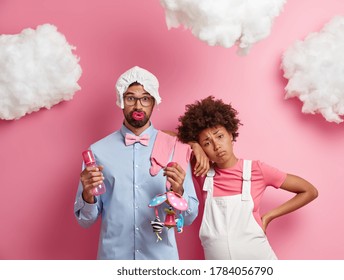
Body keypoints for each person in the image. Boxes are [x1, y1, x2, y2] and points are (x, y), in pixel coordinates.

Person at [74, 66, 200, 260]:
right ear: (121, 101)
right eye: (131, 98)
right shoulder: (97, 152)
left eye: (145, 98)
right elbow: (85, 220)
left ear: (154, 102)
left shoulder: (175, 148)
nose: (138, 106)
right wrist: (87, 195)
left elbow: (190, 217)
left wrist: (180, 191)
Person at [176, 95, 318, 260]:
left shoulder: (256, 170)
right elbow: (163, 137)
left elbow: (309, 191)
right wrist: (194, 146)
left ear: (231, 134)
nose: (216, 146)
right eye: (207, 143)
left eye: (220, 136)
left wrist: (269, 216)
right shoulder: (202, 172)